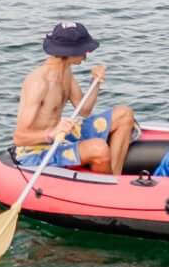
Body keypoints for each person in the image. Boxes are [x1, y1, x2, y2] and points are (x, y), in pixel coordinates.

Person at [11, 20, 136, 175]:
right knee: (99, 149)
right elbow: (19, 138)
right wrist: (51, 134)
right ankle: (105, 187)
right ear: (69, 51)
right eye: (83, 50)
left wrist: (95, 82)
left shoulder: (66, 73)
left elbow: (84, 110)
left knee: (124, 114)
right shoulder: (38, 83)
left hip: (61, 136)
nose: (86, 56)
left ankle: (115, 179)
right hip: (36, 151)